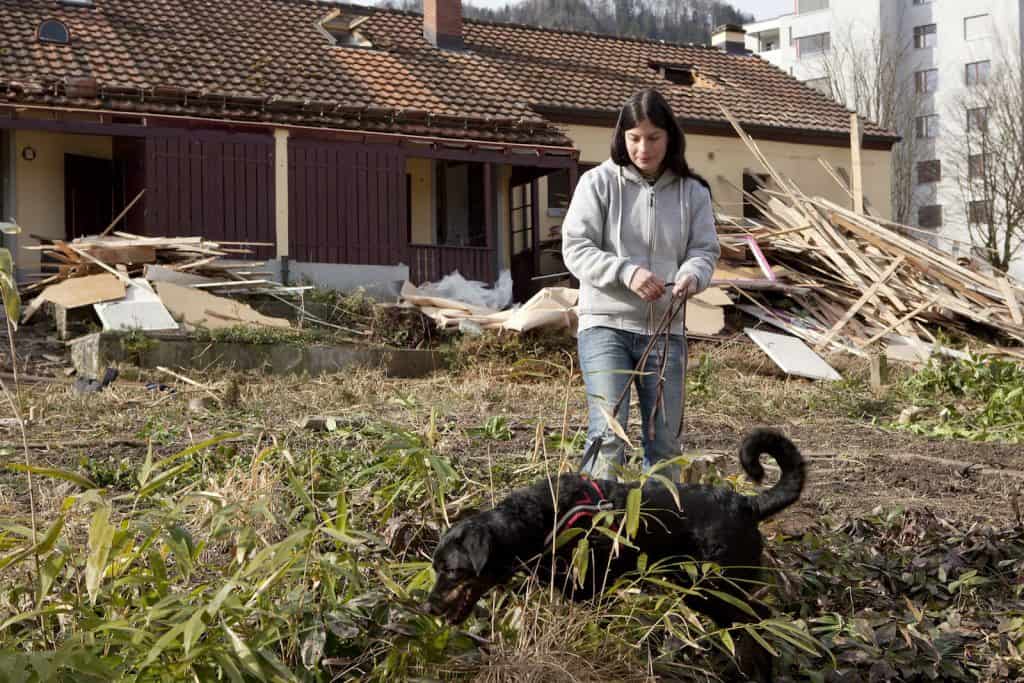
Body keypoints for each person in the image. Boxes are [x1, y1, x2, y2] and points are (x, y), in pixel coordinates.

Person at [561, 88, 721, 481]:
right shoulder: (597, 184)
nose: (643, 148)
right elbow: (575, 247)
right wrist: (625, 272)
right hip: (604, 326)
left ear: (670, 138)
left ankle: (660, 527)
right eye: (634, 138)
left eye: (653, 138)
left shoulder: (693, 192)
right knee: (608, 433)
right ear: (621, 137)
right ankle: (593, 527)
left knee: (665, 441)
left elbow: (704, 250)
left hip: (665, 332)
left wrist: (692, 275)